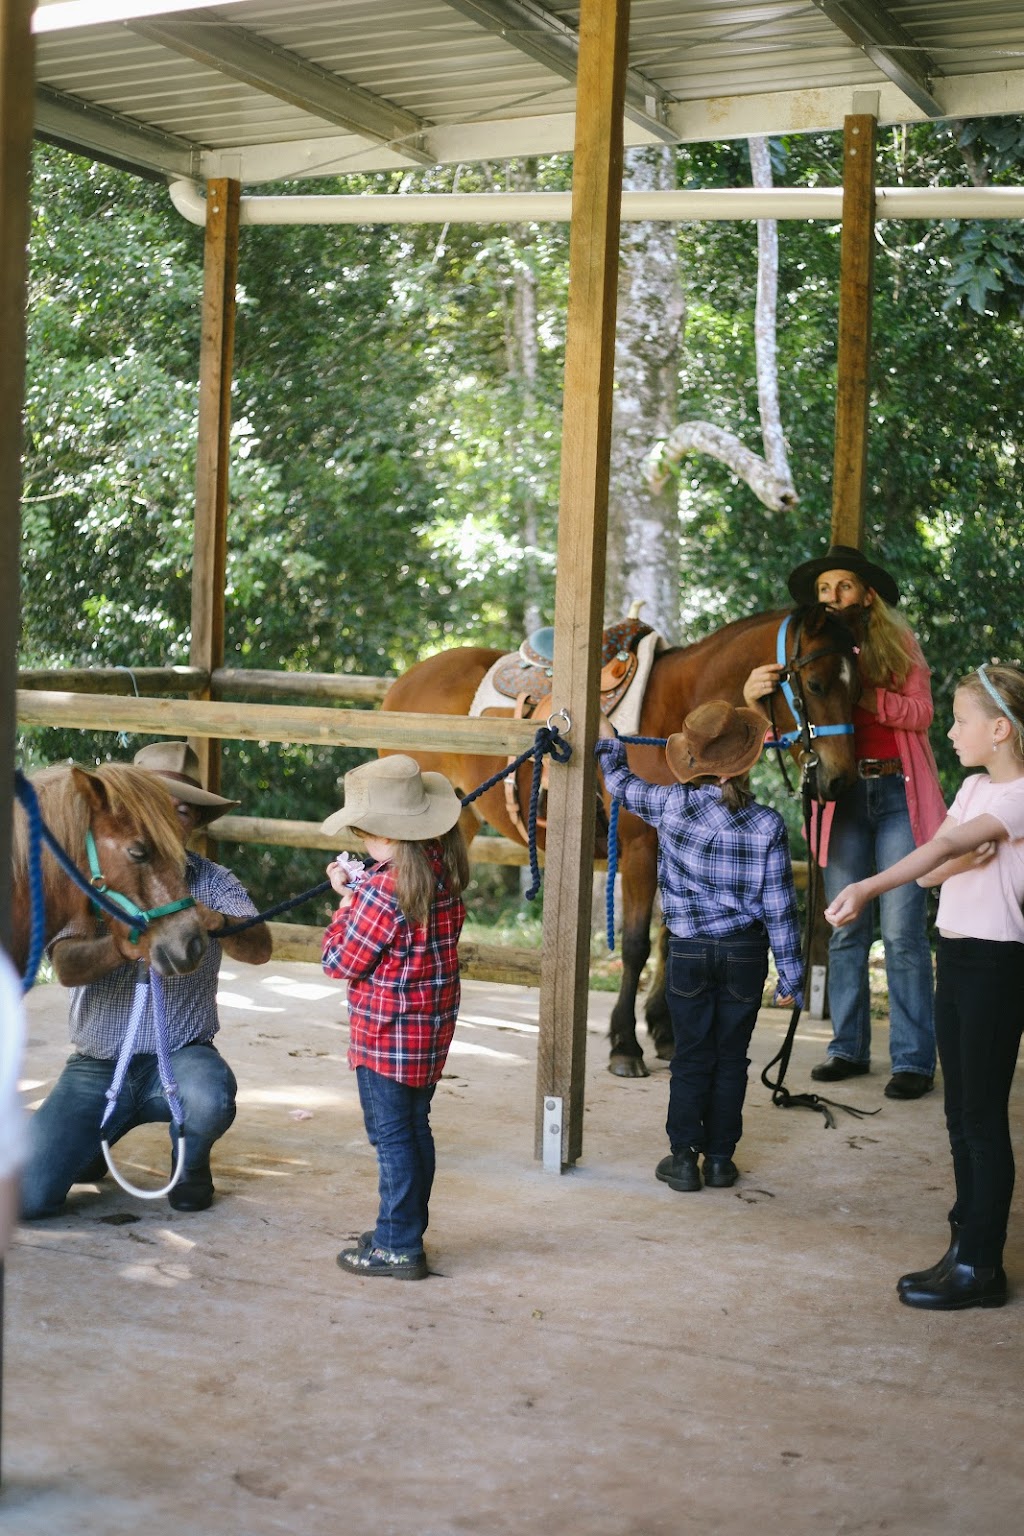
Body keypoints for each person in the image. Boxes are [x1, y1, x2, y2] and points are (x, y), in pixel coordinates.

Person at [825, 664, 1024, 1310]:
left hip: (1000, 967)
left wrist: (866, 886)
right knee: (957, 1112)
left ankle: (981, 1267)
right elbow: (938, 865)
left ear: (1000, 728)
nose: (954, 732)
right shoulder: (971, 789)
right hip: (960, 958)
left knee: (981, 1116)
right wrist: (957, 859)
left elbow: (940, 851)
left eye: (964, 720)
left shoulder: (1018, 796)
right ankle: (963, 1247)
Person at [20, 741, 271, 1219]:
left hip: (178, 1054)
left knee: (210, 1097)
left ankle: (191, 1160)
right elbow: (68, 968)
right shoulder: (93, 879)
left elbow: (260, 949)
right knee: (28, 1197)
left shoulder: (211, 879)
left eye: (183, 808)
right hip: (97, 1065)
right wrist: (120, 946)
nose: (172, 816)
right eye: (159, 803)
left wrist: (219, 921)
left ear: (196, 820)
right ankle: (91, 1143)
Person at [743, 544, 946, 1100]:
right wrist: (756, 701)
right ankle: (847, 1048)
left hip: (896, 790)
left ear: (866, 593)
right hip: (841, 799)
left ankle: (911, 1059)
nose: (833, 597)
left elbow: (924, 713)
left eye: (844, 587)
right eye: (824, 589)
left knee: (903, 932)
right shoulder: (803, 650)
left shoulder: (895, 642)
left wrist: (862, 697)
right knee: (845, 926)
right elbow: (782, 737)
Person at [595, 701, 803, 1192]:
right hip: (744, 956)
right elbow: (779, 909)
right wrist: (791, 977)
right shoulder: (768, 825)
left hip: (687, 953)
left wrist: (607, 736)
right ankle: (722, 1160)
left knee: (690, 1057)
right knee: (731, 1058)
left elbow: (619, 782)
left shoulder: (670, 805)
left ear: (691, 760)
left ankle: (683, 1160)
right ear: (747, 763)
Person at [321, 755, 468, 1280]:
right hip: (428, 1033)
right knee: (414, 1127)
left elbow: (339, 961)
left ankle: (398, 1244)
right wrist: (357, 890)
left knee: (391, 1138)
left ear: (377, 834)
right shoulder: (441, 873)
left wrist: (343, 905)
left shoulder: (381, 893)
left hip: (385, 1036)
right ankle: (402, 1227)